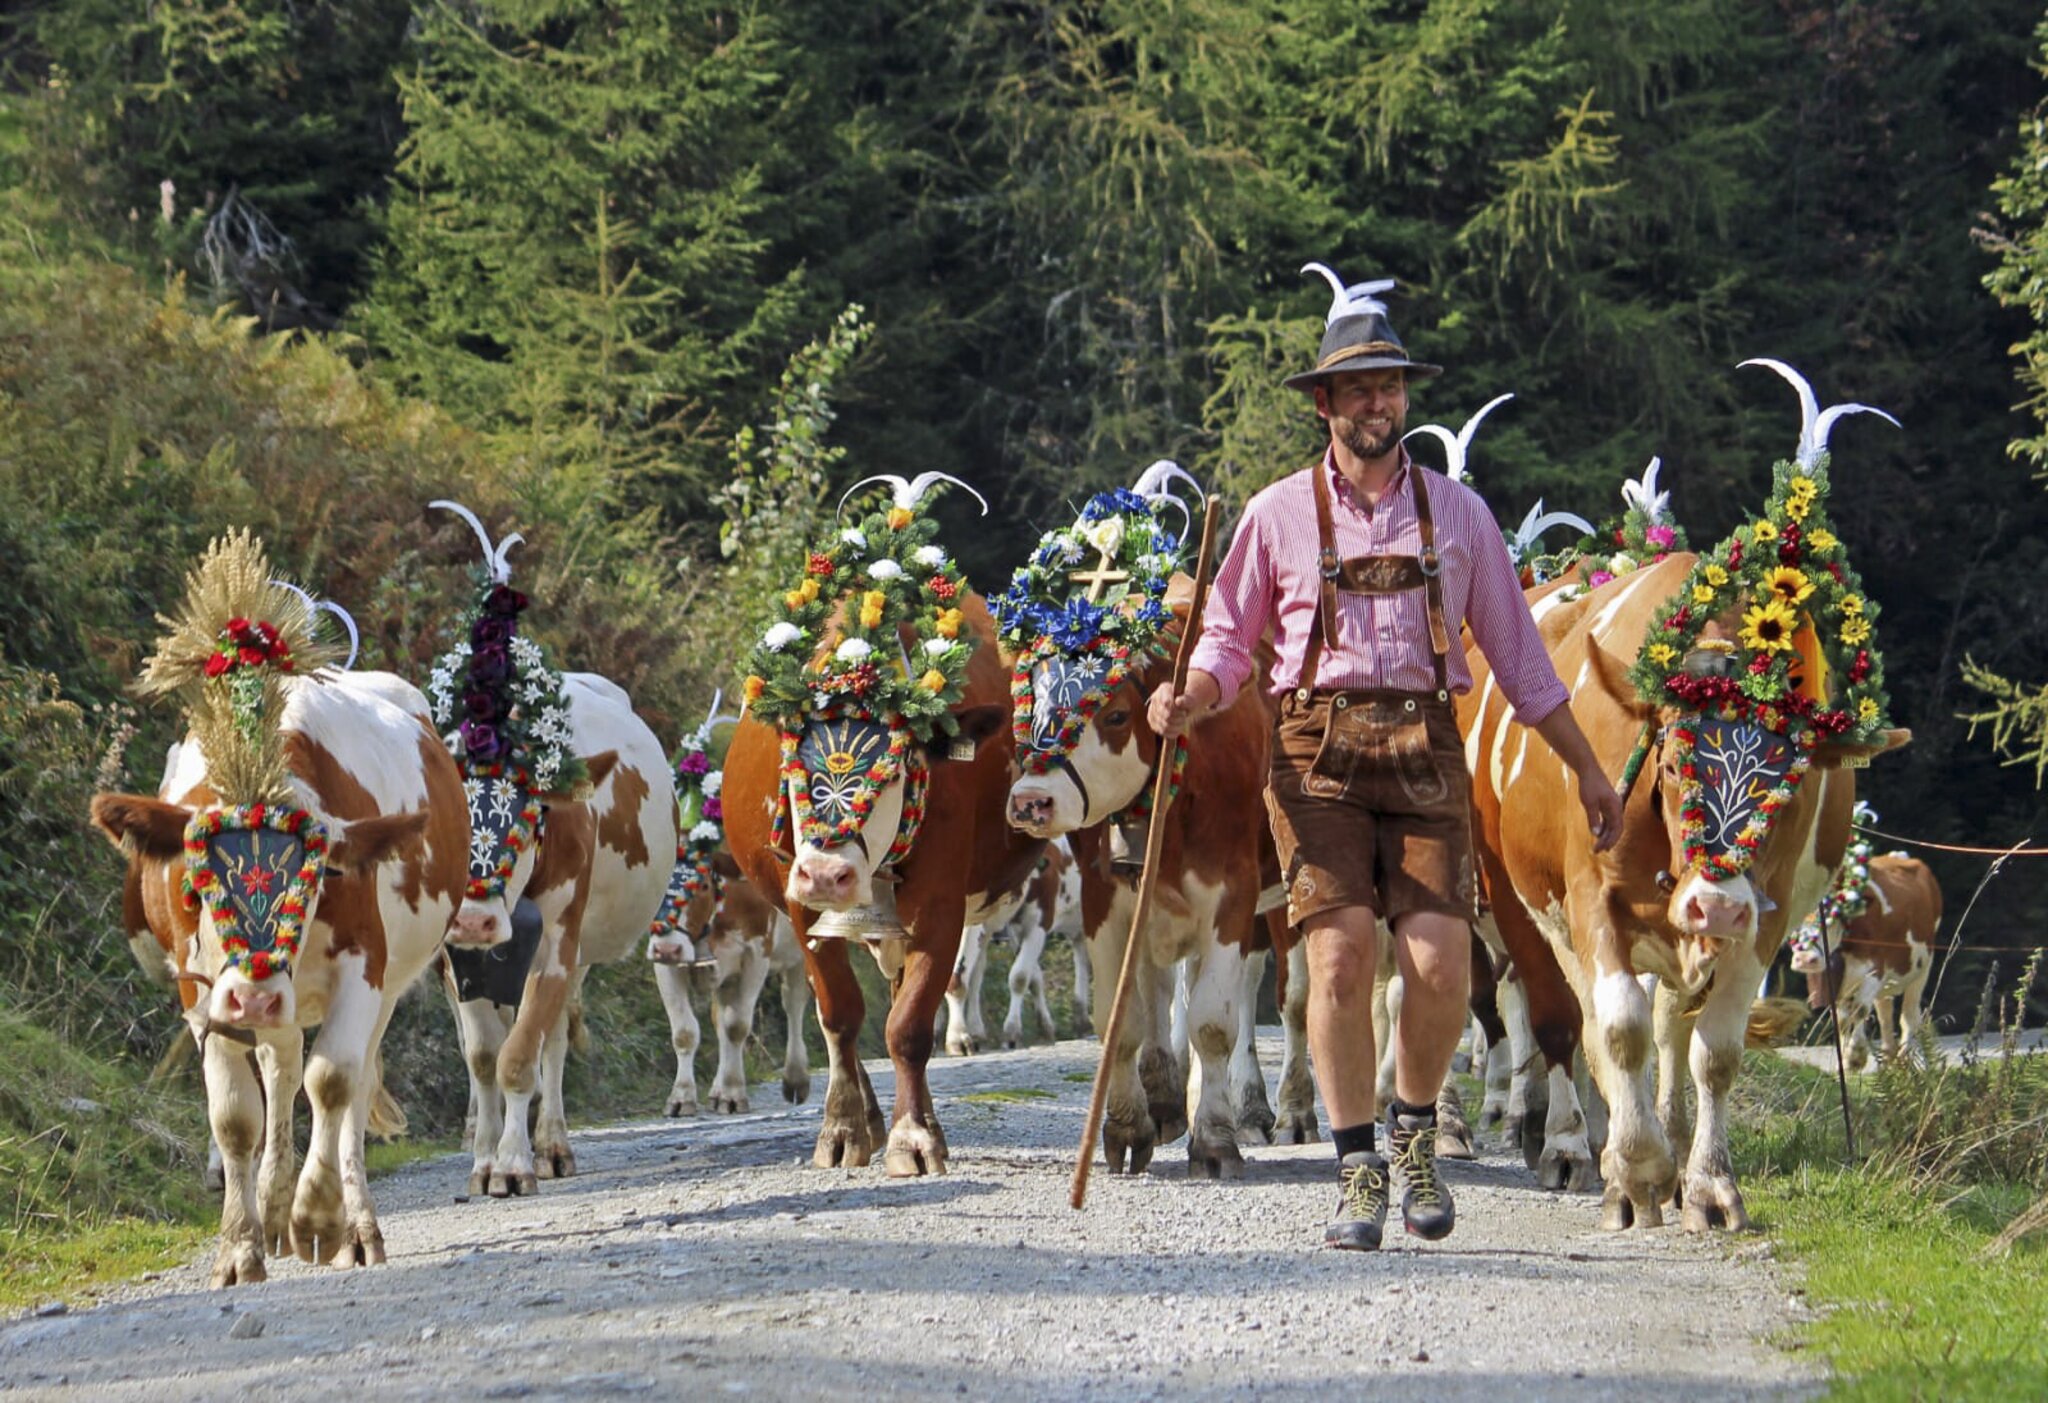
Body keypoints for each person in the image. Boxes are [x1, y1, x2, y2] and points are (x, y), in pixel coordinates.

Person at [1148, 264, 1622, 1251]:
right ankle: (1357, 1164)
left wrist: (1586, 767)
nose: (1377, 403)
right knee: (1337, 953)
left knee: (1439, 962)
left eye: (1390, 386)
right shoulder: (1274, 515)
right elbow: (1226, 642)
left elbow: (1522, 663)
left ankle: (1412, 1134)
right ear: (1322, 404)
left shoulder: (1460, 515)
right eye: (1358, 388)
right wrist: (1187, 695)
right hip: (1311, 750)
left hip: (1425, 746)